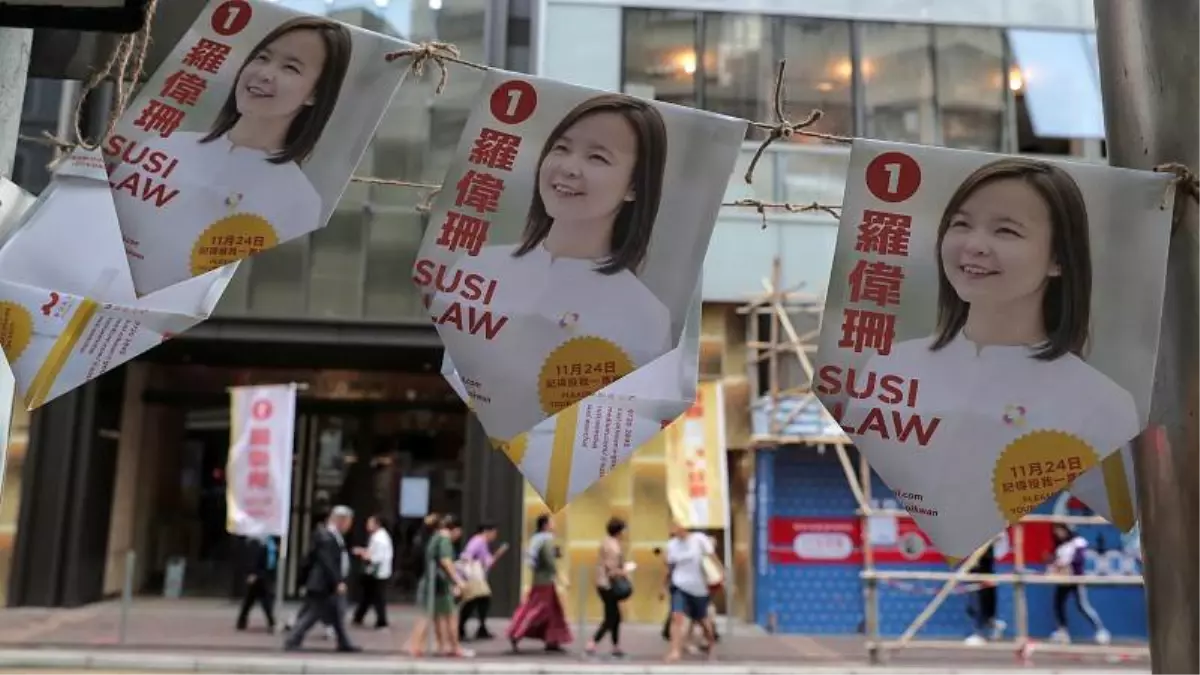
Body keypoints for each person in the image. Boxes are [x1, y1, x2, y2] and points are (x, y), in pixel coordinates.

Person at [833, 158, 1140, 558]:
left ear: (1059, 259)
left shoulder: (1103, 404)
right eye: (961, 224)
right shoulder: (889, 367)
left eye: (1006, 230)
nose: (974, 245)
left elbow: (1129, 512)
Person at [429, 93, 673, 439]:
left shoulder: (646, 316)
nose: (569, 167)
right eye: (561, 148)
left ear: (634, 186)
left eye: (597, 157)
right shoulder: (476, 267)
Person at [104, 15, 353, 294]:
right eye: (262, 57)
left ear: (316, 94)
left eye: (290, 68)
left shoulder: (299, 201)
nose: (265, 73)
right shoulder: (161, 147)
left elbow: (260, 291)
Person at [283, 505, 361, 652]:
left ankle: (344, 642)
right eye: (348, 522)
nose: (349, 526)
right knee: (312, 615)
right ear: (340, 520)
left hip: (325, 583)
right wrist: (337, 581)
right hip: (323, 584)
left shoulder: (333, 536)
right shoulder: (327, 537)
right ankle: (292, 640)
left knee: (336, 615)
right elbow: (327, 562)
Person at [406, 514, 472, 658]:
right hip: (439, 584)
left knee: (436, 616)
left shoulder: (435, 537)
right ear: (456, 530)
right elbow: (446, 561)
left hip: (431, 582)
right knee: (449, 615)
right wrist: (458, 581)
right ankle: (454, 647)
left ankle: (434, 646)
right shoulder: (444, 540)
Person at [508, 514, 572, 653]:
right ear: (545, 525)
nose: (554, 524)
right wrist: (561, 577)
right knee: (539, 610)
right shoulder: (546, 540)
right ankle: (517, 633)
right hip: (546, 581)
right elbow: (550, 562)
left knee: (552, 612)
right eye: (551, 522)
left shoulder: (536, 540)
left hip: (539, 580)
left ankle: (552, 640)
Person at [1047, 524, 1110, 645]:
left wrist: (1064, 564)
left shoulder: (1078, 542)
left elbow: (1078, 560)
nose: (1058, 533)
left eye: (1060, 530)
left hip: (1076, 579)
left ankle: (1101, 630)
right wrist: (1053, 566)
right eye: (1056, 531)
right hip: (1063, 580)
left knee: (1083, 606)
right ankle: (1063, 632)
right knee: (1058, 604)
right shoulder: (1060, 546)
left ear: (1067, 529)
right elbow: (1054, 561)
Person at [664, 522, 716, 662]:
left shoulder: (699, 539)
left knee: (703, 620)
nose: (674, 530)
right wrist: (664, 587)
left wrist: (720, 576)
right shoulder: (671, 545)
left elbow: (712, 559)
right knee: (677, 617)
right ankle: (675, 651)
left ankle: (711, 644)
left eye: (676, 526)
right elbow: (669, 568)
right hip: (679, 585)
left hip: (699, 588)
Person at [585, 517, 629, 659]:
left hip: (602, 584)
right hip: (608, 585)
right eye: (624, 530)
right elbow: (611, 569)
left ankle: (615, 646)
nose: (625, 533)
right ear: (619, 531)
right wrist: (625, 571)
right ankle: (593, 642)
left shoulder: (607, 541)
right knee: (611, 617)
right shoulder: (614, 547)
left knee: (615, 616)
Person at [457, 523, 508, 641]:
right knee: (475, 600)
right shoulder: (478, 541)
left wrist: (499, 553)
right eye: (494, 533)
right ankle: (463, 628)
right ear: (486, 531)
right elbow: (467, 555)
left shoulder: (482, 542)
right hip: (474, 577)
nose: (494, 536)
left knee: (479, 600)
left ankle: (478, 627)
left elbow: (488, 562)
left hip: (477, 577)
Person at [351, 514, 393, 630]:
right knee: (368, 595)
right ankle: (359, 617)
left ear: (377, 524)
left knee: (377, 597)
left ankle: (381, 621)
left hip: (377, 572)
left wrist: (362, 553)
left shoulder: (379, 539)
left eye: (370, 523)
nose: (367, 526)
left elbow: (376, 557)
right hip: (377, 572)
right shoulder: (378, 536)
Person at [964, 542, 1006, 645]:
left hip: (982, 573)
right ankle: (993, 624)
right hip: (972, 572)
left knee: (978, 603)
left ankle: (979, 633)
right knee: (971, 607)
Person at [235, 534, 278, 632]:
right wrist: (252, 573)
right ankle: (271, 622)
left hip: (264, 574)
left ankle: (242, 621)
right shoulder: (255, 543)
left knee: (251, 600)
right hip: (259, 574)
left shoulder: (269, 542)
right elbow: (253, 559)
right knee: (263, 600)